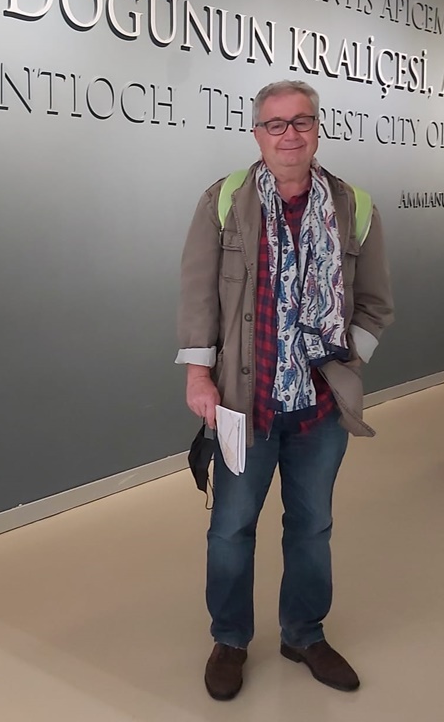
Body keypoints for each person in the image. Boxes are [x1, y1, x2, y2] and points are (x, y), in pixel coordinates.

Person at [175, 80, 394, 700]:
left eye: (301, 121)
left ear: (317, 129)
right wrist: (198, 374)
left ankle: (304, 633)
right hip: (245, 403)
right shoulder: (223, 202)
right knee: (231, 528)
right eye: (276, 124)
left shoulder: (355, 207)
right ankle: (230, 639)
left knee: (312, 526)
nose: (289, 134)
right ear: (258, 134)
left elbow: (376, 303)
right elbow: (198, 295)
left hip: (320, 409)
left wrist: (345, 361)